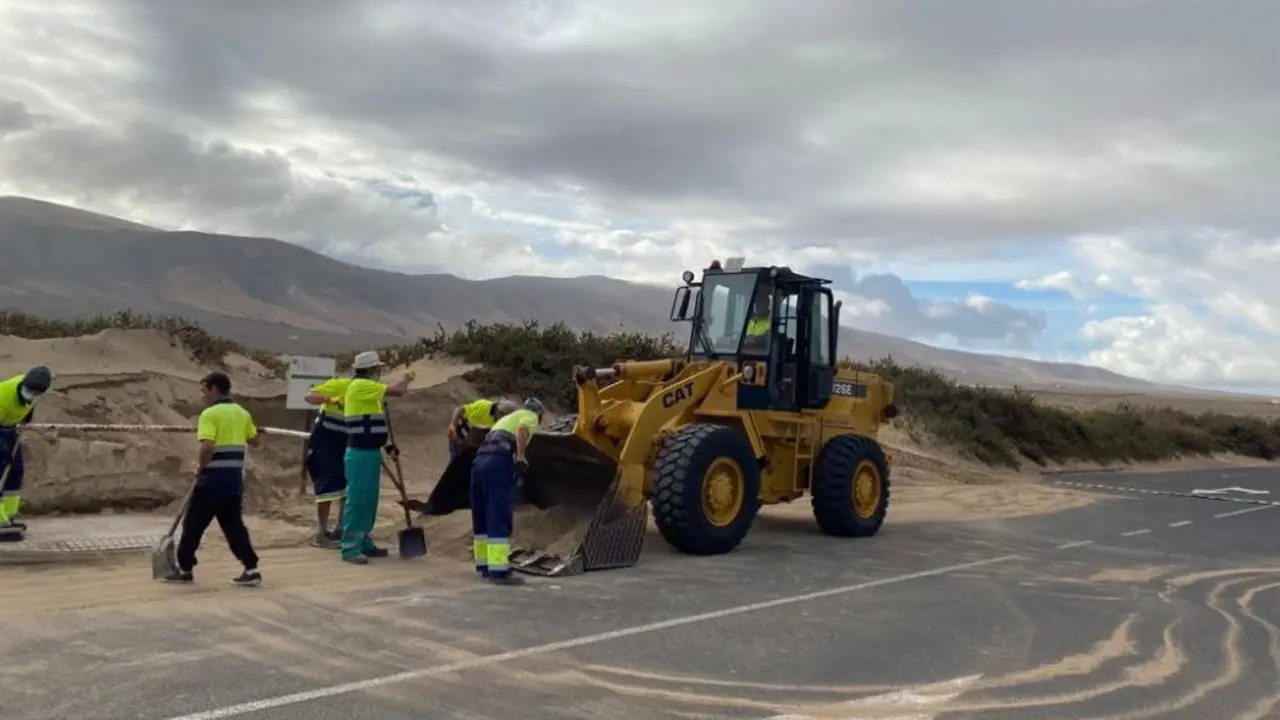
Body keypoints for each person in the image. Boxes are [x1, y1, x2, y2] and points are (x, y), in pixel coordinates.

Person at [164, 372, 263, 586]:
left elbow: (207, 445)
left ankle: (184, 569)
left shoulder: (209, 414)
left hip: (212, 480)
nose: (203, 396)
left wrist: (201, 467)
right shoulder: (242, 413)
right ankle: (251, 568)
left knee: (193, 525)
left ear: (214, 389)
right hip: (234, 480)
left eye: (204, 390)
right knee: (234, 526)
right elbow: (255, 440)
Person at [341, 351, 414, 565]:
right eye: (378, 370)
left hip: (371, 450)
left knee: (370, 500)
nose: (379, 373)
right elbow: (398, 391)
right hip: (360, 452)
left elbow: (372, 423)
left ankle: (364, 540)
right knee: (358, 499)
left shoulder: (370, 393)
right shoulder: (361, 385)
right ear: (370, 370)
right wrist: (408, 377)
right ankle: (350, 547)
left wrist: (386, 445)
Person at [470, 396, 545, 586]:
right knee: (498, 512)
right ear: (539, 413)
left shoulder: (505, 419)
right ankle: (499, 570)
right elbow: (521, 431)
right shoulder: (530, 416)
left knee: (482, 513)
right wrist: (520, 458)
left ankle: (484, 565)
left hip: (479, 462)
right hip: (498, 462)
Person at [0, 366, 52, 542]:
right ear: (23, 385)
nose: (30, 394)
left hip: (9, 429)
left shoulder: (33, 386)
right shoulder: (4, 395)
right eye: (28, 390)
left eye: (35, 392)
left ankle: (8, 516)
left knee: (15, 471)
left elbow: (28, 407)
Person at [303, 373, 352, 548]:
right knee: (326, 487)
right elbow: (310, 396)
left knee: (346, 487)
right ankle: (321, 533)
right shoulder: (341, 384)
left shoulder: (368, 391)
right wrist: (330, 398)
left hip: (346, 442)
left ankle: (340, 528)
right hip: (324, 442)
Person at [447, 397, 518, 460]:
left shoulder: (503, 425)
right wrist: (453, 424)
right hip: (460, 432)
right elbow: (460, 409)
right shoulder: (483, 406)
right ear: (500, 413)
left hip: (475, 440)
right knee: (456, 458)